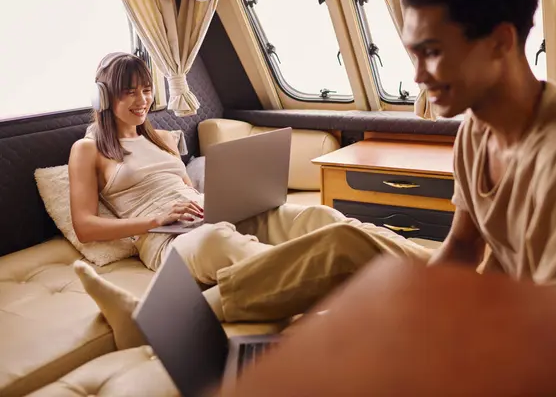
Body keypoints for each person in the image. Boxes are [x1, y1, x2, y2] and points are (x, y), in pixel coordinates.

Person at [69, 52, 431, 350]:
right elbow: (85, 227)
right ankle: (328, 307)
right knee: (216, 240)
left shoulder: (162, 139)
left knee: (314, 215)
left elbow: (186, 190)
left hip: (208, 214)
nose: (142, 100)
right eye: (129, 92)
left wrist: (223, 199)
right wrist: (156, 219)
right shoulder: (88, 150)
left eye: (147, 90)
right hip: (165, 238)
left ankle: (431, 270)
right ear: (103, 97)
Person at [400, 0, 556, 285]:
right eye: (414, 54)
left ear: (500, 41)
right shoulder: (475, 130)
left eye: (432, 52)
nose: (418, 75)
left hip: (550, 319)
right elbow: (463, 246)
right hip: (510, 303)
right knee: (338, 236)